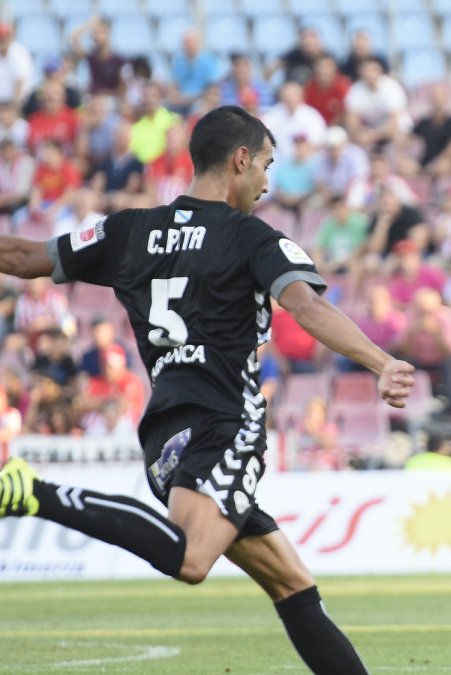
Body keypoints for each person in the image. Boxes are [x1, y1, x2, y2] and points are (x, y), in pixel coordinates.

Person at [0, 106, 414, 674]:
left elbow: (26, 258)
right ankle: (34, 493)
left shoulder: (128, 230)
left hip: (165, 431)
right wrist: (381, 361)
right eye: (265, 164)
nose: (266, 183)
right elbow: (306, 306)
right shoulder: (251, 237)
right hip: (224, 423)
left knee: (290, 582)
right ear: (241, 160)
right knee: (192, 558)